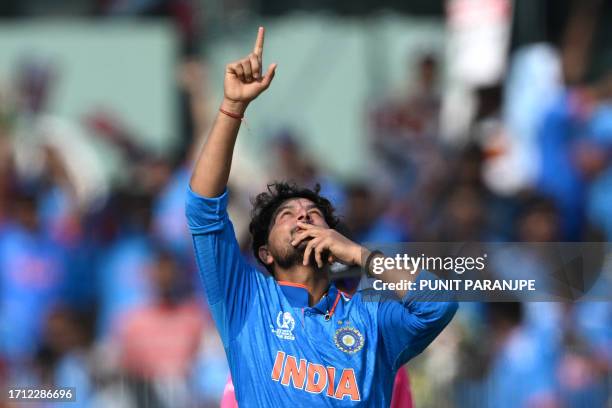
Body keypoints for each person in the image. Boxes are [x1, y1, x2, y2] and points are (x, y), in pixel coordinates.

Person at [185, 27, 457, 406]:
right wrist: (232, 107)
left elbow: (438, 302)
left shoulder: (371, 319)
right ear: (264, 253)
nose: (303, 217)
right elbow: (202, 208)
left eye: (314, 214)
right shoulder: (245, 300)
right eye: (287, 215)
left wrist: (359, 255)